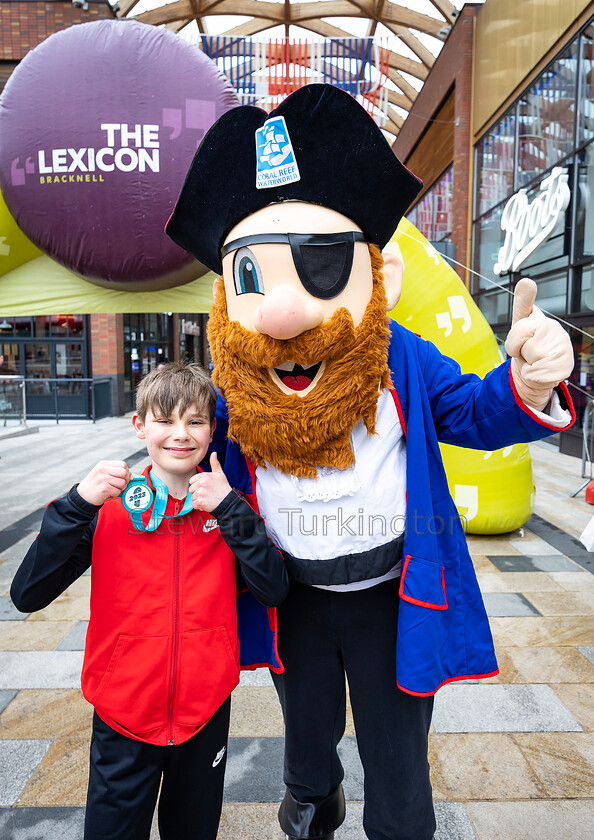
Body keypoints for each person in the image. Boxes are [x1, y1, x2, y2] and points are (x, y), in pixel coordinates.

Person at [165, 84, 576, 840]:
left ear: (368, 267)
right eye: (253, 276)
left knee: (398, 763)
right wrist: (151, 479)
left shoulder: (401, 361)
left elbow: (475, 413)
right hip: (294, 597)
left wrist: (528, 382)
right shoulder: (234, 385)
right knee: (308, 749)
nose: (286, 314)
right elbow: (189, 452)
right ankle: (313, 801)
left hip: (392, 595)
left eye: (319, 263)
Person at [11, 361, 288, 840]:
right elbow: (27, 594)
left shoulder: (229, 507)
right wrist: (77, 504)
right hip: (122, 714)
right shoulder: (107, 509)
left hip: (204, 714)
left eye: (195, 421)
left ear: (211, 429)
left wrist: (227, 512)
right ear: (140, 425)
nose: (180, 435)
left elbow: (274, 587)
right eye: (164, 420)